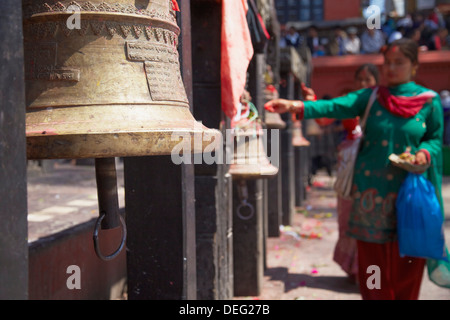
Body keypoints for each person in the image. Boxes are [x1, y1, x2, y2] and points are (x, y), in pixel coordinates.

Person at [265, 38, 447, 300]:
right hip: (370, 196)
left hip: (410, 196)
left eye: (399, 63)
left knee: (409, 260)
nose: (391, 69)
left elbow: (434, 138)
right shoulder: (372, 97)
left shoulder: (429, 103)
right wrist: (296, 105)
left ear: (414, 66)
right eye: (388, 63)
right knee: (372, 265)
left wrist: (423, 153)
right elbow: (336, 106)